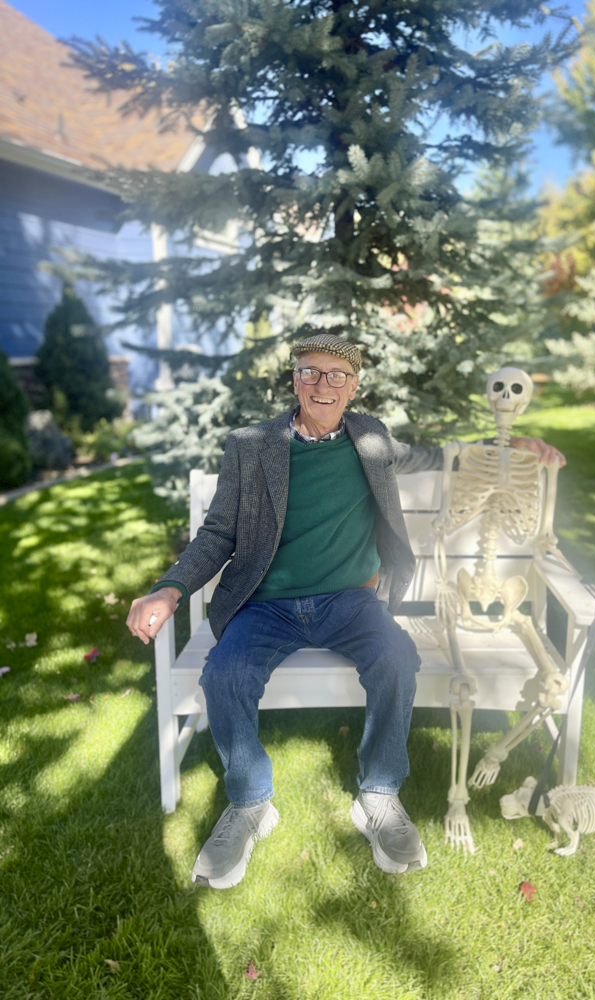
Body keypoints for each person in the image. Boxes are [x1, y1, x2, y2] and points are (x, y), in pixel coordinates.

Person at [127, 333, 564, 888]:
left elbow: (435, 457)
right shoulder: (251, 445)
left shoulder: (370, 438)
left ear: (353, 387)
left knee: (396, 659)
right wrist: (169, 590)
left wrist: (507, 445)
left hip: (349, 601)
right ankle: (250, 802)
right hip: (267, 604)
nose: (322, 385)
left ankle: (379, 795)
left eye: (337, 375)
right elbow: (217, 533)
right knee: (225, 675)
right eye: (310, 372)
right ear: (294, 380)